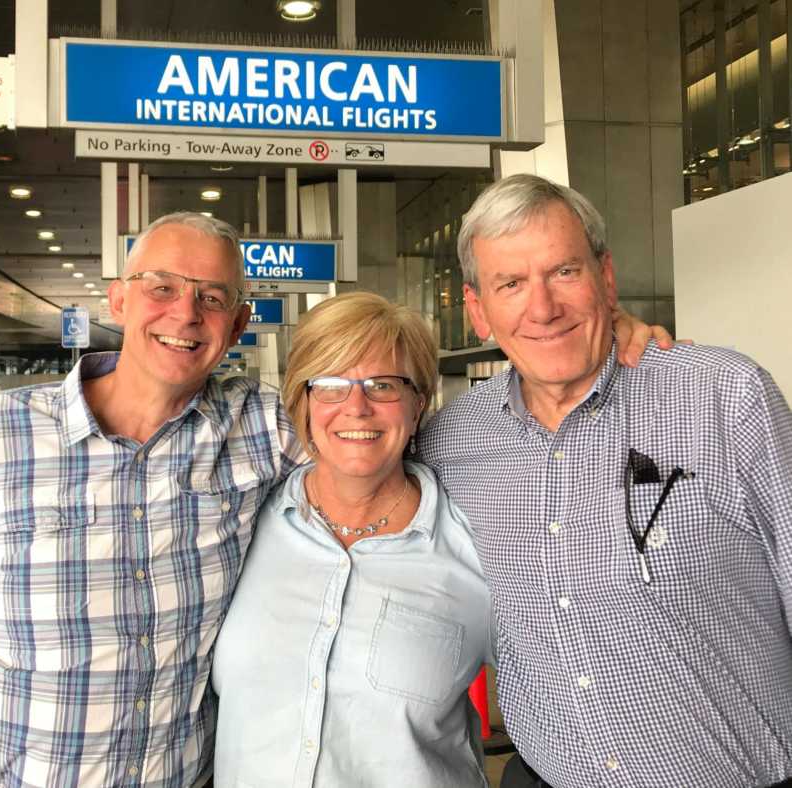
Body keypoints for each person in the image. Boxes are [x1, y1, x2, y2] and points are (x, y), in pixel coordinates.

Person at [0, 212, 304, 787]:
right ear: (119, 301)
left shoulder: (264, 428)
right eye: (162, 287)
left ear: (237, 326)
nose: (185, 313)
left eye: (212, 298)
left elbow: (372, 436)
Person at [420, 173, 792, 788]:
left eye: (563, 272)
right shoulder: (448, 443)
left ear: (606, 278)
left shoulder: (725, 396)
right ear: (478, 311)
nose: (542, 308)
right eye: (511, 283)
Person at [211, 291, 495, 787]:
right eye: (331, 385)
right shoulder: (242, 524)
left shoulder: (477, 545)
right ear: (302, 402)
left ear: (418, 403)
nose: (357, 408)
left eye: (383, 385)